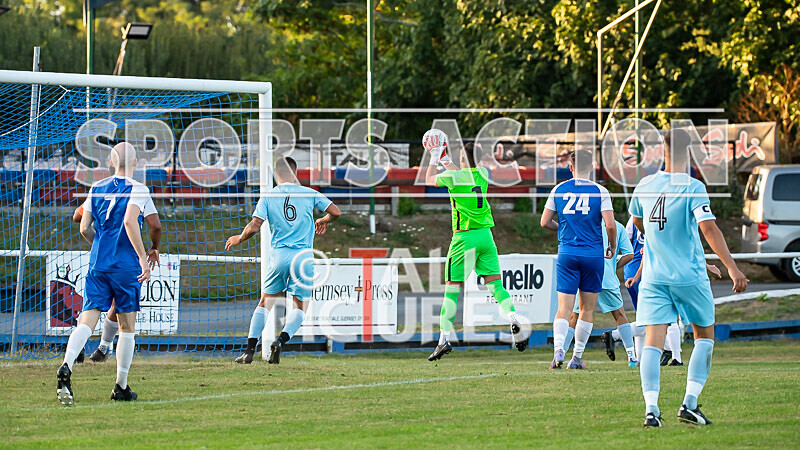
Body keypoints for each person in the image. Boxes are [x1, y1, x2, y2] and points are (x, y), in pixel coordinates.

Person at [629, 129, 748, 427]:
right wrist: (732, 266)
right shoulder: (693, 187)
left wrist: (663, 247)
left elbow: (639, 223)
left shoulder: (644, 185)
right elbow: (709, 229)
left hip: (655, 279)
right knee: (704, 337)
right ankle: (689, 404)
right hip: (688, 277)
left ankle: (651, 410)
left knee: (654, 343)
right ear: (689, 153)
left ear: (662, 151)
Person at [57, 142, 159, 405]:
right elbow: (130, 222)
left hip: (98, 264)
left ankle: (67, 365)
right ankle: (120, 386)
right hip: (125, 267)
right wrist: (142, 258)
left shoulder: (96, 187)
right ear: (136, 163)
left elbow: (83, 228)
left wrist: (101, 247)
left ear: (111, 163)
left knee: (86, 320)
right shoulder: (138, 189)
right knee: (127, 327)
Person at [424, 129, 529, 361]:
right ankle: (512, 317)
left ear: (463, 159)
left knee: (452, 289)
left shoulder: (455, 178)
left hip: (465, 238)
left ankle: (442, 341)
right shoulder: (482, 172)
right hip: (486, 237)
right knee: (496, 285)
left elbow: (428, 180)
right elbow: (459, 170)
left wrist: (434, 156)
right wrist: (445, 157)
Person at [226, 157, 340, 364]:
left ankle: (249, 351)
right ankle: (280, 341)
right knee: (299, 307)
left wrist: (239, 238)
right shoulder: (309, 192)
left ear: (276, 173)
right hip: (303, 258)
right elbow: (336, 212)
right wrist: (323, 220)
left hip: (279, 256)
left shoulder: (269, 196)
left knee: (264, 303)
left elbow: (255, 225)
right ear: (295, 172)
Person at [540, 149, 616, 370]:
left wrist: (561, 228)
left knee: (564, 308)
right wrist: (611, 245)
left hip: (567, 253)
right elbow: (610, 225)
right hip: (593, 254)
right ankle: (577, 357)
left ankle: (558, 351)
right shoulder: (600, 191)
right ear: (591, 167)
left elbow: (545, 222)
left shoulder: (559, 189)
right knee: (587, 309)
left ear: (570, 167)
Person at [72, 199, 161, 363]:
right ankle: (105, 349)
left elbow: (78, 218)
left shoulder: (101, 190)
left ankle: (84, 347)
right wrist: (154, 246)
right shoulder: (138, 192)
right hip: (126, 260)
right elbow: (155, 225)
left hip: (102, 258)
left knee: (92, 307)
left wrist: (100, 237)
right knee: (120, 308)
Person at [562, 219, 637, 366]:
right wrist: (613, 266)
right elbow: (629, 254)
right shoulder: (618, 227)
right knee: (620, 315)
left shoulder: (585, 222)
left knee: (575, 316)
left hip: (586, 276)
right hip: (607, 277)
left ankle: (563, 355)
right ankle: (632, 357)